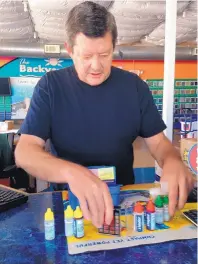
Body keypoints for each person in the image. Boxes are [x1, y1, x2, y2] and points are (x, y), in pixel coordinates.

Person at [15, 1, 194, 228]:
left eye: (104, 54)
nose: (96, 66)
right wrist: (73, 173)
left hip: (125, 202)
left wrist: (172, 161)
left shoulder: (135, 87)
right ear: (70, 50)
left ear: (113, 46)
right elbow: (25, 151)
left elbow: (159, 143)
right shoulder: (50, 87)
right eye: (86, 56)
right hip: (70, 202)